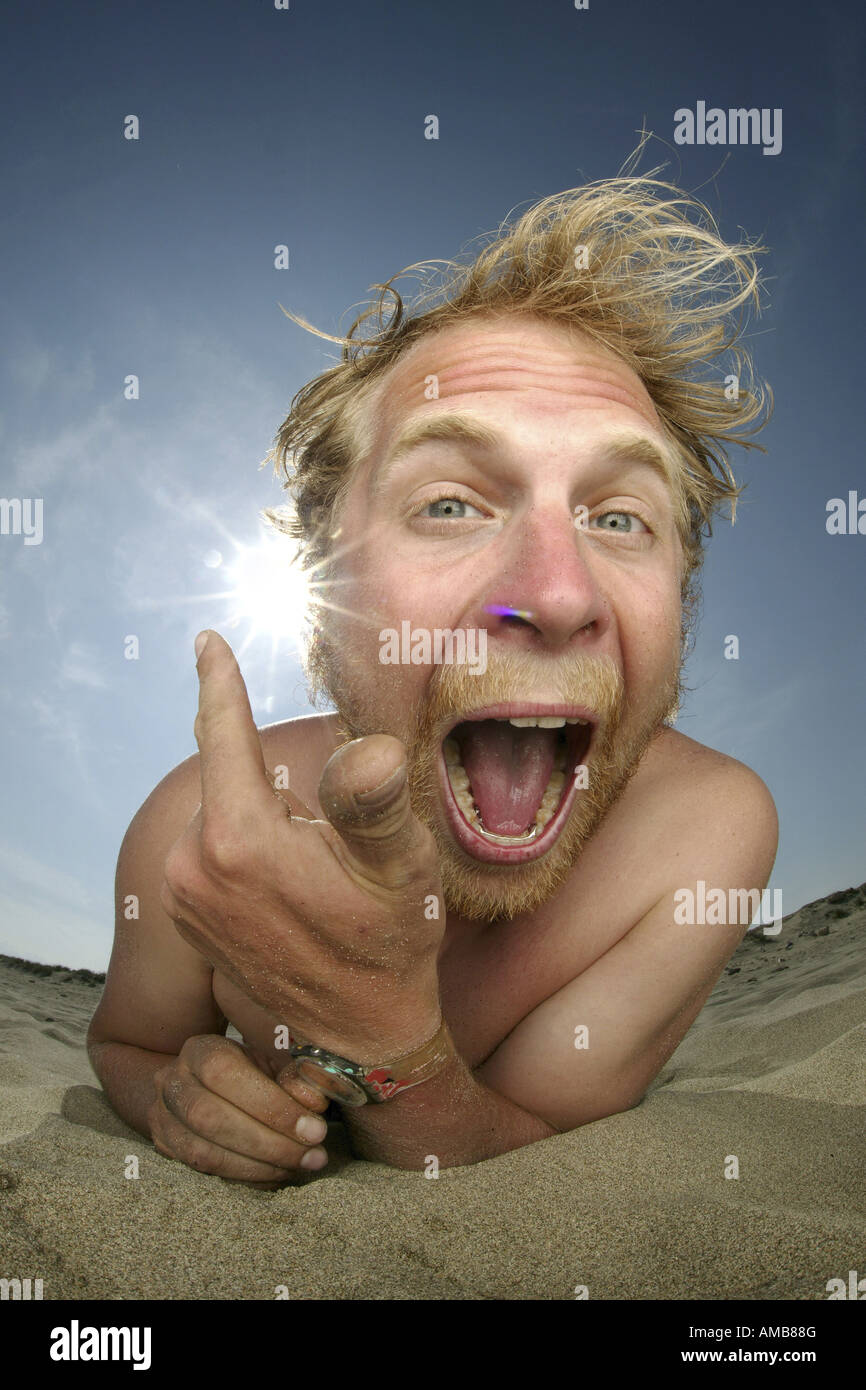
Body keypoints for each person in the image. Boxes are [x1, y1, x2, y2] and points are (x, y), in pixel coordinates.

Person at [87, 169, 778, 1183]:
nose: (553, 593)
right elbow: (125, 1044)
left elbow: (526, 1145)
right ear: (326, 576)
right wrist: (175, 1099)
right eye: (450, 503)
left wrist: (380, 1032)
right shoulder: (199, 831)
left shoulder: (708, 835)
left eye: (618, 516)